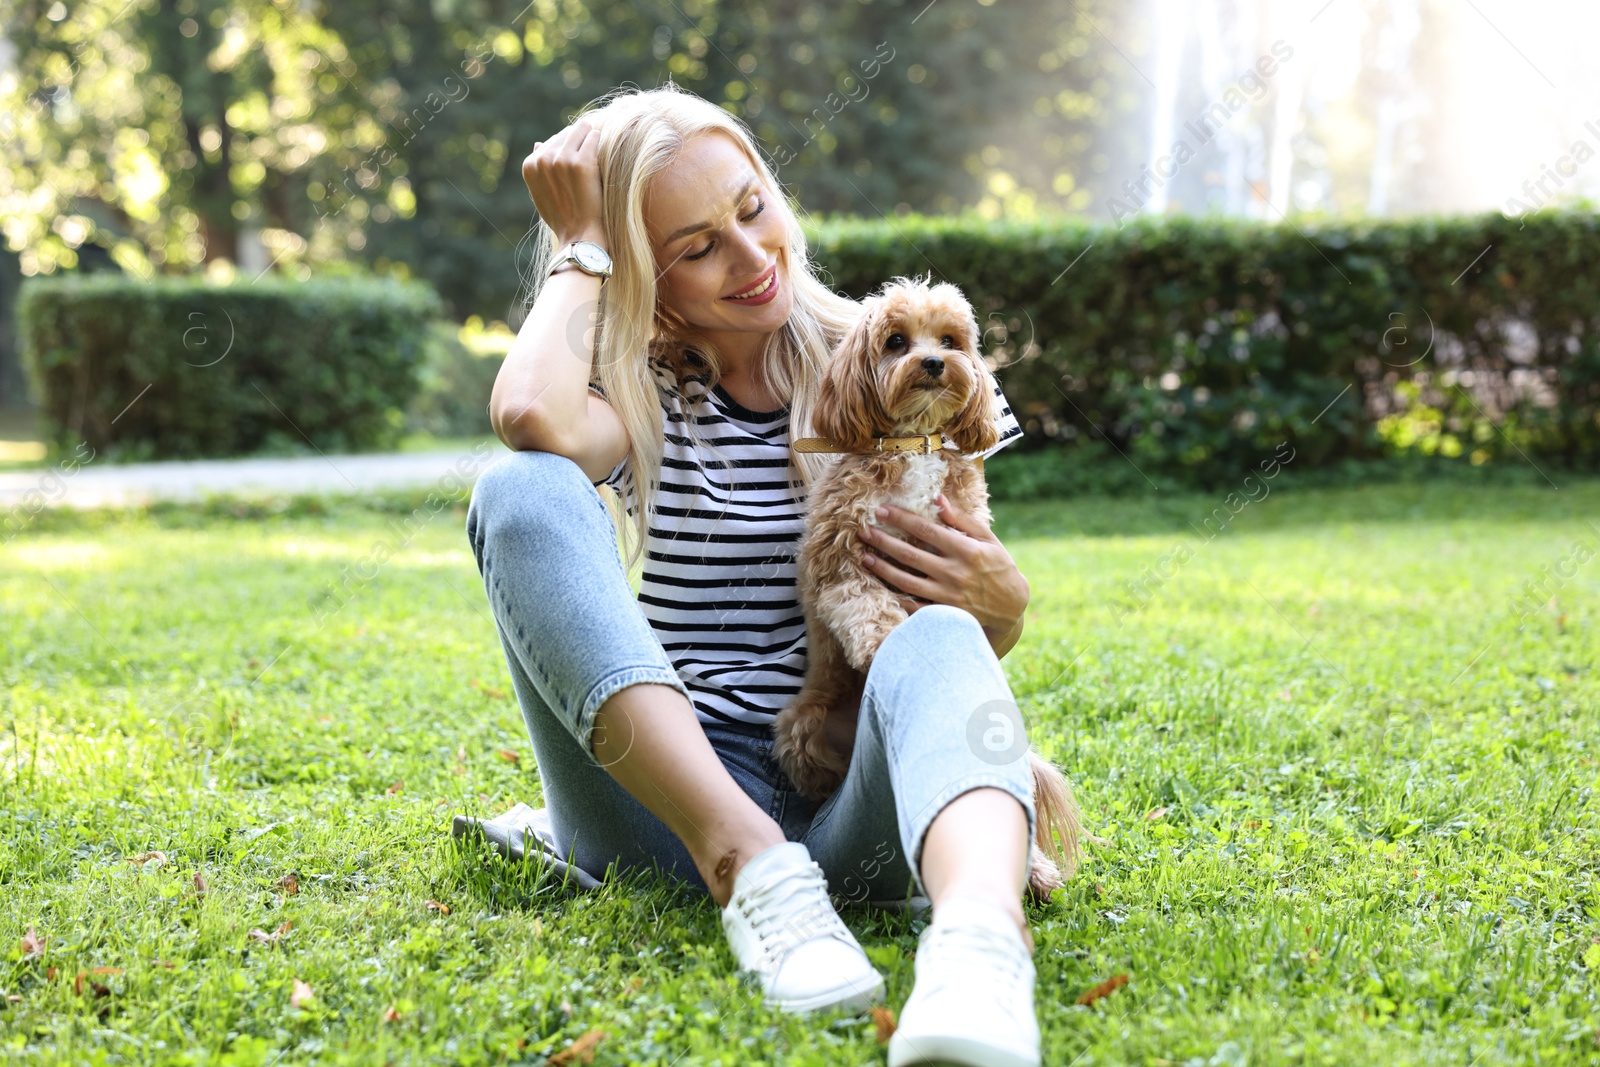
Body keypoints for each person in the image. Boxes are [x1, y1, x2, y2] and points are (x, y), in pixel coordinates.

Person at [466, 82, 1048, 1067]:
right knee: (521, 489)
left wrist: (1004, 609)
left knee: (935, 633)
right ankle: (751, 867)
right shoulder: (638, 393)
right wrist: (580, 246)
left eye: (751, 207)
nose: (750, 256)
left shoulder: (881, 356)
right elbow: (530, 415)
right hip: (669, 811)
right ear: (644, 274)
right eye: (694, 247)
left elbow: (947, 637)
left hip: (850, 806)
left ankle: (980, 947)